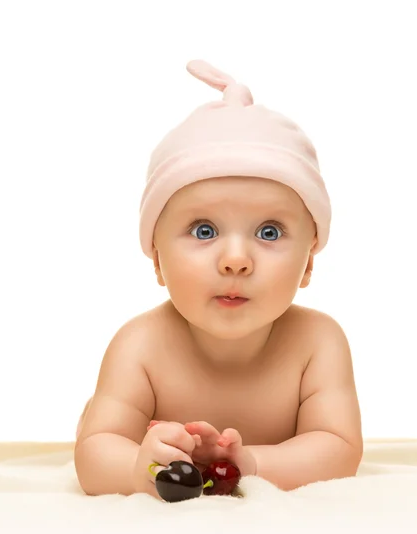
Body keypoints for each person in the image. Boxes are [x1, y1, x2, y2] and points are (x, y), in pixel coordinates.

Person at [73, 59, 363, 500]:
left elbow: (339, 448)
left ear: (308, 264)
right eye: (204, 231)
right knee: (95, 419)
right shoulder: (140, 346)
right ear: (156, 260)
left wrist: (252, 464)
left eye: (269, 232)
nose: (235, 260)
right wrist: (139, 467)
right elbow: (94, 454)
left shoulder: (317, 343)